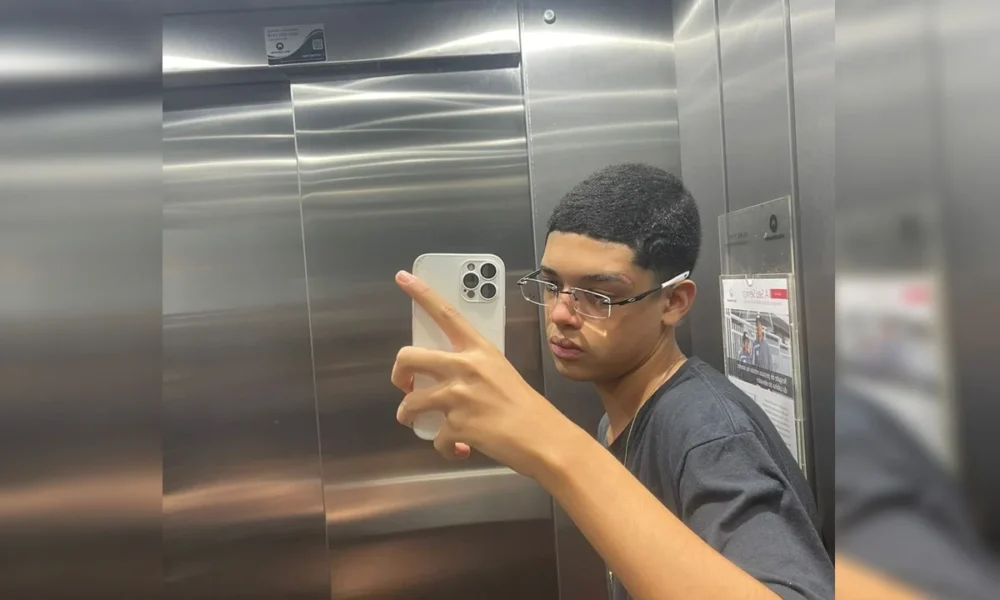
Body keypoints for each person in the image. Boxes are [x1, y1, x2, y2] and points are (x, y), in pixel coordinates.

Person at [390, 163, 833, 600]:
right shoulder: (620, 419)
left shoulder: (708, 434)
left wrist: (554, 447)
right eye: (551, 285)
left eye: (598, 295)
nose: (560, 314)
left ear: (673, 302)